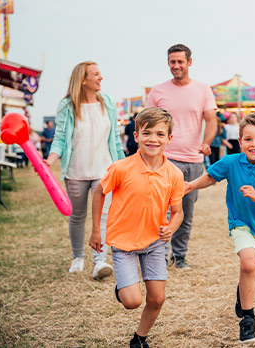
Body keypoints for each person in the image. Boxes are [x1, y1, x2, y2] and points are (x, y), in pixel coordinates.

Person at [185, 112, 255, 344]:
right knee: (248, 264)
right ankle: (248, 320)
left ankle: (242, 295)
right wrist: (190, 186)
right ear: (240, 141)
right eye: (249, 139)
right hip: (240, 222)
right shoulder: (231, 162)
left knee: (252, 272)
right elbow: (211, 177)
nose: (254, 144)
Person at [89, 107, 185, 348]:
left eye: (160, 134)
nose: (153, 139)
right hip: (123, 243)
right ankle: (123, 289)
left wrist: (170, 228)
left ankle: (139, 338)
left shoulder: (174, 174)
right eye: (147, 133)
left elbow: (178, 212)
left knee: (157, 298)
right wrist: (95, 230)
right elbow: (99, 191)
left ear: (169, 139)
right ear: (136, 136)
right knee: (132, 301)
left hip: (154, 243)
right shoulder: (121, 168)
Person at [46, 61, 125, 279]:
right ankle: (78, 257)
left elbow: (115, 140)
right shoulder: (66, 106)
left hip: (104, 169)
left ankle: (100, 261)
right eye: (96, 74)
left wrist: (124, 165)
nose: (101, 78)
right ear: (83, 80)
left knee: (103, 217)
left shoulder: (107, 102)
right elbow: (60, 139)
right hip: (76, 171)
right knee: (78, 215)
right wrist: (49, 161)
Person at [145, 43, 217, 269]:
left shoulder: (203, 89)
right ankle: (158, 256)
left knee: (184, 212)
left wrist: (206, 143)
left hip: (193, 160)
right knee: (161, 210)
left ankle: (179, 256)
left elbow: (211, 120)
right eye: (172, 62)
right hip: (165, 159)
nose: (176, 66)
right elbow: (146, 120)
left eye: (180, 62)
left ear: (189, 62)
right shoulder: (158, 91)